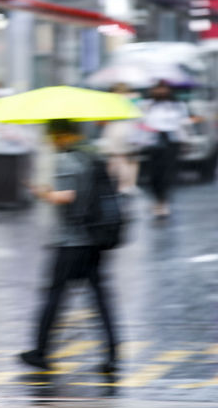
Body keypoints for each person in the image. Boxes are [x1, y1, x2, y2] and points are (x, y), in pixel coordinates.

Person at [20, 119, 119, 374]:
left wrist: (40, 191)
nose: (50, 141)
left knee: (54, 297)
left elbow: (66, 196)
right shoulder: (92, 155)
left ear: (60, 135)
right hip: (93, 238)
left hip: (70, 241)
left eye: (51, 135)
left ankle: (41, 351)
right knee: (99, 299)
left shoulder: (66, 159)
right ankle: (112, 353)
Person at [139, 80, 192, 218]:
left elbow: (183, 124)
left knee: (167, 172)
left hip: (171, 141)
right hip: (152, 141)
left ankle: (163, 201)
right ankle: (157, 199)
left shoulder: (177, 106)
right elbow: (140, 123)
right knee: (153, 173)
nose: (161, 91)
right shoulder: (147, 105)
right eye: (158, 88)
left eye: (164, 88)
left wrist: (187, 141)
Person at [100, 83, 140, 195]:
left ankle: (120, 185)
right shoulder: (135, 98)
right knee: (132, 159)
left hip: (114, 129)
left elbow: (102, 120)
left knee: (118, 158)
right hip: (132, 129)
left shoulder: (110, 100)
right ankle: (130, 185)